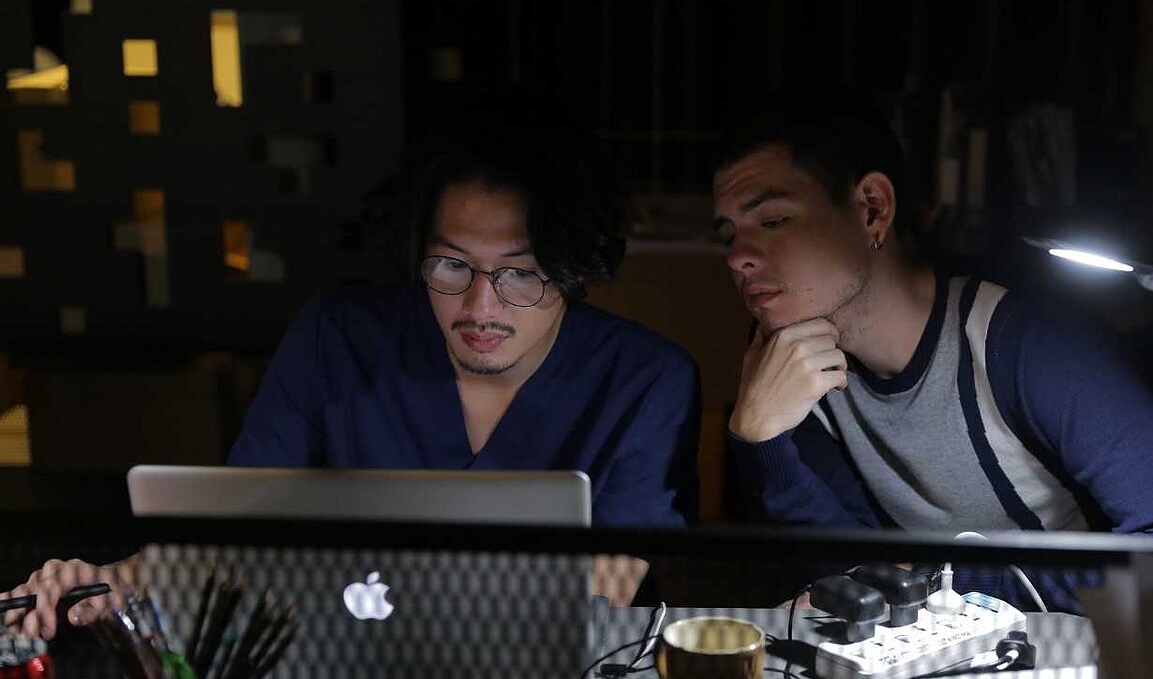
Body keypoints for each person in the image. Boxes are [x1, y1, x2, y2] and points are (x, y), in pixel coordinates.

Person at [5, 110, 701, 638]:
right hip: (330, 667)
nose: (480, 306)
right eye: (451, 265)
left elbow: (608, 583)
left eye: (520, 273)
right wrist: (115, 580)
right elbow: (232, 534)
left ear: (573, 268)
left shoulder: (645, 380)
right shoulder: (337, 340)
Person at [714, 89, 1153, 611]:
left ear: (872, 209)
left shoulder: (1023, 340)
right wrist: (758, 440)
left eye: (773, 221)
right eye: (728, 235)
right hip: (936, 650)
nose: (738, 257)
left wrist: (936, 583)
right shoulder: (792, 360)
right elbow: (841, 572)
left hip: (1075, 645)